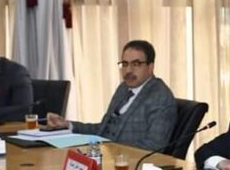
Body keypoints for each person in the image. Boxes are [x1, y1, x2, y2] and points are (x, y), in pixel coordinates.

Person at [46, 40, 176, 150]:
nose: (128, 70)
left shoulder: (160, 98)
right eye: (125, 64)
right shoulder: (124, 88)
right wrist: (68, 125)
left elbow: (154, 146)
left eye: (136, 64)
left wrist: (112, 152)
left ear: (150, 67)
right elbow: (104, 129)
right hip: (105, 154)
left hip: (130, 164)